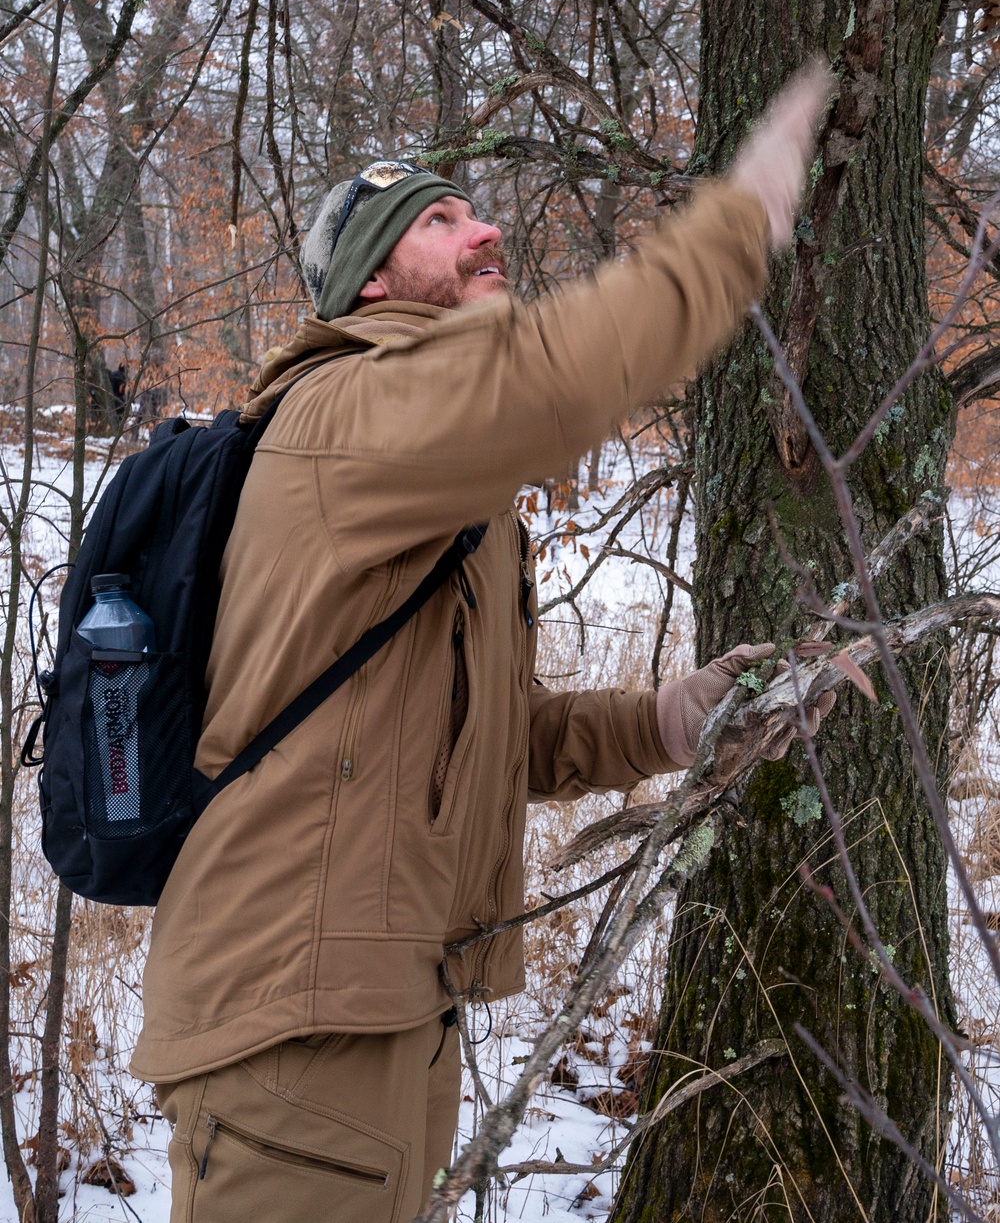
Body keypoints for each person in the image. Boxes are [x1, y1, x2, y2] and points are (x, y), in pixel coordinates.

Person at [134, 65, 836, 1222]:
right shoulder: (347, 411)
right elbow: (551, 376)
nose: (485, 228)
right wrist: (738, 223)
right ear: (368, 280)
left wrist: (673, 716)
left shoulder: (430, 477)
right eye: (438, 220)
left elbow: (487, 742)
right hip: (293, 1029)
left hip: (383, 1015)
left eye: (474, 209)